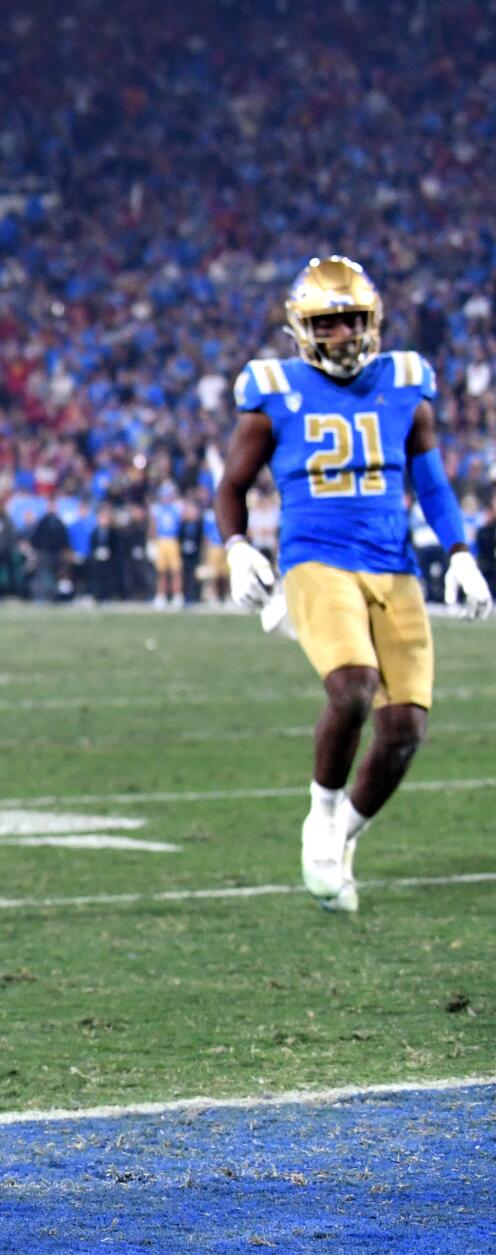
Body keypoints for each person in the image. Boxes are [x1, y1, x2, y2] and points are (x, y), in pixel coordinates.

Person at [218, 255, 492, 914]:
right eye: (328, 322)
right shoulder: (273, 392)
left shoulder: (404, 382)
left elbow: (429, 482)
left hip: (393, 567)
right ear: (302, 328)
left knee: (404, 729)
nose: (342, 334)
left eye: (351, 320)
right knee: (351, 688)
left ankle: (343, 836)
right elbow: (232, 484)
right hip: (316, 559)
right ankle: (322, 812)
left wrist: (460, 553)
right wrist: (235, 547)